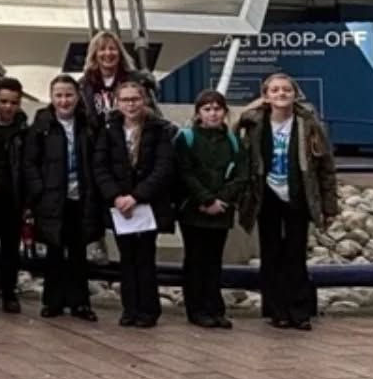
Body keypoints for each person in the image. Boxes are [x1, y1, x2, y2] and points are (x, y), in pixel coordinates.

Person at [237, 72, 339, 332]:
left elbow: (326, 166)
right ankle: (276, 310)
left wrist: (329, 206)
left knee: (296, 253)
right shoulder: (255, 123)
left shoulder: (309, 124)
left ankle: (299, 311)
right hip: (267, 194)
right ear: (266, 96)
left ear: (295, 94)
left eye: (286, 90)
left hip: (298, 194)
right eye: (275, 90)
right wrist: (250, 108)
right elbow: (231, 135)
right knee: (271, 253)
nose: (281, 94)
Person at [93, 79, 175, 328]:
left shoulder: (159, 129)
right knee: (126, 257)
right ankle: (130, 308)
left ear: (144, 100)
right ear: (117, 103)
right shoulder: (108, 129)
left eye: (135, 99)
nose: (131, 104)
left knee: (145, 257)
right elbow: (100, 165)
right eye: (125, 100)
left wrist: (137, 195)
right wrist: (115, 196)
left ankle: (149, 309)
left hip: (146, 204)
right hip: (120, 206)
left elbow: (163, 167)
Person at [23, 75, 100, 321]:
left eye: (68, 95)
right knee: (54, 251)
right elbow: (30, 162)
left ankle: (80, 303)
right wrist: (39, 191)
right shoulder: (42, 124)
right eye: (59, 95)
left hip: (81, 195)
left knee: (78, 251)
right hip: (52, 196)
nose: (64, 101)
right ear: (51, 97)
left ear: (77, 96)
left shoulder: (88, 123)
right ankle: (52, 301)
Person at [175, 90, 250, 329]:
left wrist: (223, 200)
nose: (213, 114)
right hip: (193, 209)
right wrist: (206, 200)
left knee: (214, 260)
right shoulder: (186, 138)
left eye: (217, 109)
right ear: (198, 114)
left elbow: (240, 174)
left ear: (225, 112)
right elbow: (184, 172)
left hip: (222, 210)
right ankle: (196, 309)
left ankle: (215, 308)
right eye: (207, 109)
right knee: (196, 259)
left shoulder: (233, 141)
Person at [0, 77, 28, 313]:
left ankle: (9, 293)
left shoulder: (24, 130)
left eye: (13, 102)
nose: (8, 107)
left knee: (11, 248)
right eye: (3, 101)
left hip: (13, 196)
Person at [79, 31, 158, 126]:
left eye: (112, 49)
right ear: (94, 54)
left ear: (120, 53)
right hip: (96, 138)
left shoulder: (138, 81)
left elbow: (153, 114)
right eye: (102, 49)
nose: (108, 53)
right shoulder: (84, 84)